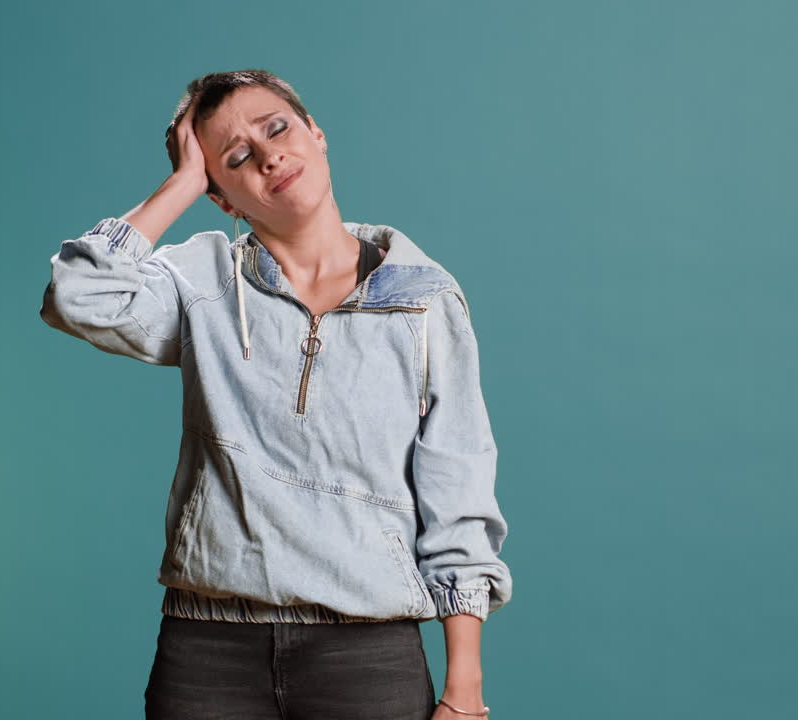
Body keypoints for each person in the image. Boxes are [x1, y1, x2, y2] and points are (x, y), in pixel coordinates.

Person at [38, 69, 511, 719]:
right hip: (208, 651)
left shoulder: (422, 299)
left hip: (368, 653)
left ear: (316, 134)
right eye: (236, 157)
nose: (267, 155)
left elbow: (458, 490)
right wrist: (180, 185)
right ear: (223, 197)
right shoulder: (200, 280)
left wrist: (465, 688)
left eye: (277, 128)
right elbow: (76, 296)